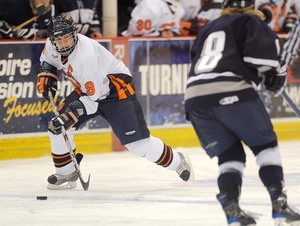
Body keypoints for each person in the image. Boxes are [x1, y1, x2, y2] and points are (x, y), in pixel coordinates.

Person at [36, 13, 193, 190]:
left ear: (74, 34)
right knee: (58, 128)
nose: (64, 43)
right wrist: (47, 73)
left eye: (67, 38)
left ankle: (177, 161)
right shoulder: (51, 44)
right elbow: (48, 60)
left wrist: (69, 116)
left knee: (138, 146)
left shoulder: (85, 56)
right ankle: (66, 172)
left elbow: (93, 99)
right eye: (59, 39)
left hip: (116, 91)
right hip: (89, 90)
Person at [184, 0, 300, 225]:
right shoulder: (250, 22)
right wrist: (276, 77)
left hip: (195, 100)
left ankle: (232, 209)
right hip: (232, 91)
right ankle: (279, 204)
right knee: (266, 146)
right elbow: (265, 67)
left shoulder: (209, 27)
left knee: (230, 156)